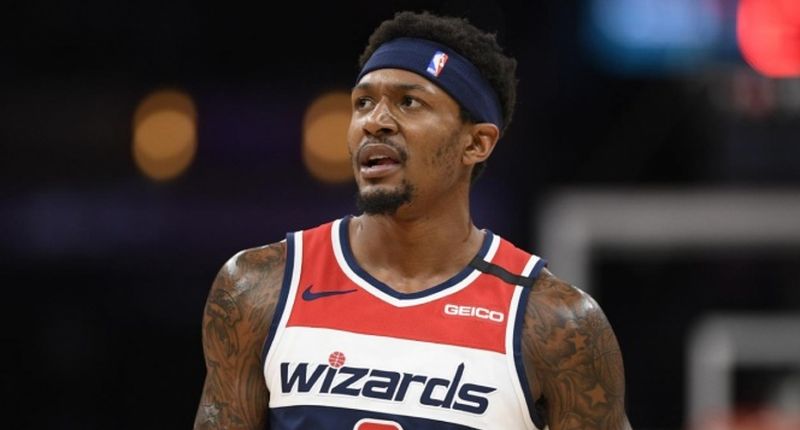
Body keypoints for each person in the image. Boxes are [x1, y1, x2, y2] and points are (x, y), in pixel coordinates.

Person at [194, 10, 632, 430]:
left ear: (476, 143)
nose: (375, 122)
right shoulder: (259, 287)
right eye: (363, 102)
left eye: (409, 102)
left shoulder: (556, 323)